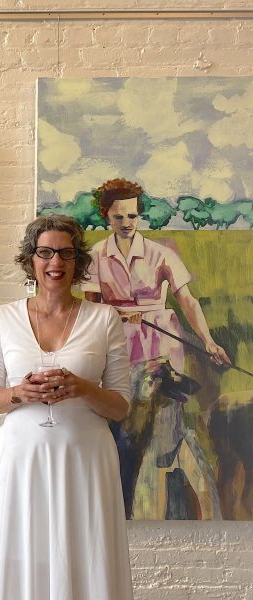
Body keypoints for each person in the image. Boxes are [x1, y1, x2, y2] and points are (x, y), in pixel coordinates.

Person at [0, 214, 133, 600]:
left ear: (78, 262)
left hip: (86, 459)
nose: (55, 263)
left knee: (86, 554)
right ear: (31, 259)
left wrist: (81, 388)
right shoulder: (4, 318)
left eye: (65, 253)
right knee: (21, 552)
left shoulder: (104, 318)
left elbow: (121, 406)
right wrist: (20, 394)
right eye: (45, 252)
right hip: (23, 459)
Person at [83, 178, 230, 519]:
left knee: (164, 421)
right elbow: (90, 307)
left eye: (132, 216)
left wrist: (208, 341)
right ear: (107, 216)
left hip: (159, 342)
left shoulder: (161, 254)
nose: (127, 223)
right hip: (116, 340)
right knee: (122, 420)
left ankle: (163, 496)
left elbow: (188, 301)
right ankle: (118, 498)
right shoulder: (95, 256)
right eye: (119, 217)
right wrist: (118, 315)